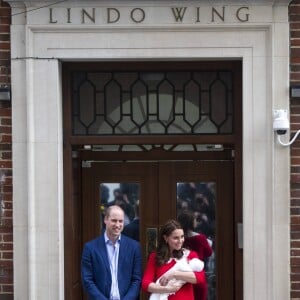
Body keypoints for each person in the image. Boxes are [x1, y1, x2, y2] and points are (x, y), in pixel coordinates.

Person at [81, 205, 142, 300]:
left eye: (120, 221)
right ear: (105, 220)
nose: (117, 225)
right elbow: (87, 280)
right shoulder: (90, 248)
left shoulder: (134, 247)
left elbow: (136, 280)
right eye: (114, 220)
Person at [142, 219, 207, 300]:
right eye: (176, 238)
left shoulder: (190, 255)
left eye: (182, 237)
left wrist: (174, 273)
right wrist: (167, 289)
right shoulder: (154, 257)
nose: (180, 241)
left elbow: (200, 278)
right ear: (166, 238)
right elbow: (145, 283)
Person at [177, 211, 213, 300]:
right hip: (196, 276)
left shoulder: (176, 239)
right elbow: (209, 252)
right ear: (191, 222)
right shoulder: (200, 238)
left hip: (180, 276)